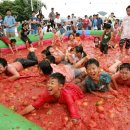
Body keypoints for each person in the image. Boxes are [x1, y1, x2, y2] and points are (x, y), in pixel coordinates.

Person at [20, 72, 84, 123]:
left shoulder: (67, 96)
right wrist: (20, 114)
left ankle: (83, 75)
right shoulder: (47, 94)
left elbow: (71, 106)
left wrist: (75, 117)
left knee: (81, 84)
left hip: (75, 91)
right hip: (67, 87)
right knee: (75, 81)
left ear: (60, 86)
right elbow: (34, 105)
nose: (48, 85)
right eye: (48, 82)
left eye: (52, 83)